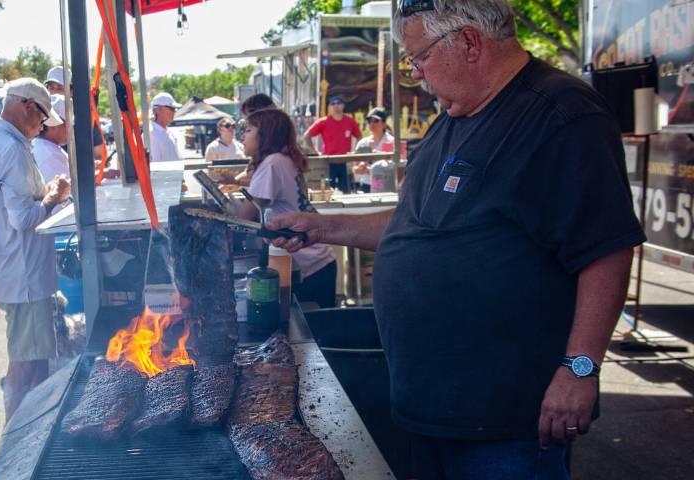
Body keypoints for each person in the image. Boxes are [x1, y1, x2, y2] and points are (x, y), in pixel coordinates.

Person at [267, 1, 647, 478]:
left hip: (503, 421)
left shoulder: (563, 115)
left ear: (468, 43)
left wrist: (580, 368)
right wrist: (323, 227)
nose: (417, 76)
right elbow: (418, 225)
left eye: (418, 58)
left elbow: (607, 249)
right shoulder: (455, 116)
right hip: (429, 407)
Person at [0, 78, 71, 423]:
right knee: (25, 363)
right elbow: (22, 218)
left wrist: (46, 193)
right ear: (29, 106)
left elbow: (15, 204)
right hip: (24, 275)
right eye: (43, 119)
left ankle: (22, 434)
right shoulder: (11, 148)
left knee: (32, 359)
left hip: (15, 272)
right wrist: (53, 198)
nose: (42, 127)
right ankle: (14, 445)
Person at [240, 108, 337, 308]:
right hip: (318, 261)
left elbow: (246, 213)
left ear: (265, 135)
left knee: (306, 331)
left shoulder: (272, 163)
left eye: (248, 130)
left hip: (310, 264)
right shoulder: (282, 159)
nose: (243, 136)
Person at [303, 95, 362, 193]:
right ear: (330, 107)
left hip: (345, 162)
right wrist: (315, 152)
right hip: (328, 162)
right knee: (327, 192)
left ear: (343, 105)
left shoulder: (350, 122)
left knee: (346, 192)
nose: (336, 106)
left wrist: (356, 154)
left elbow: (360, 138)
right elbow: (307, 136)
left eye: (338, 103)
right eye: (333, 104)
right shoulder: (323, 122)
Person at [353, 107, 395, 192]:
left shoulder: (390, 142)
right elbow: (355, 168)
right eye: (369, 121)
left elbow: (392, 168)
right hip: (365, 185)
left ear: (384, 124)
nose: (372, 124)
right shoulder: (363, 143)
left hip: (384, 185)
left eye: (375, 121)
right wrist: (360, 168)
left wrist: (370, 168)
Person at [33, 94, 69, 183]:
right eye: (67, 125)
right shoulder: (48, 152)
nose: (71, 130)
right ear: (54, 125)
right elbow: (69, 186)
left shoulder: (47, 147)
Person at [149, 92, 182, 162]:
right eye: (171, 108)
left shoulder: (169, 132)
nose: (174, 111)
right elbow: (155, 167)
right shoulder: (151, 134)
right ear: (158, 110)